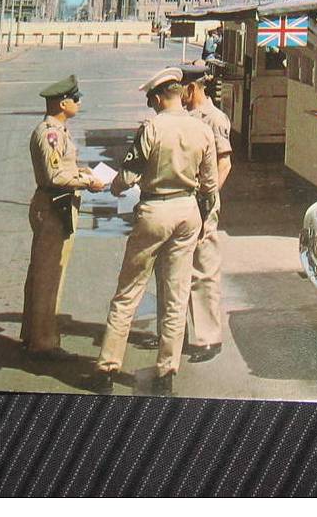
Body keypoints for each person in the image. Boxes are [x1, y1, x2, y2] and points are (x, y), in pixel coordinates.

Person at [87, 68, 218, 395]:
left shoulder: (152, 128)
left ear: (160, 97)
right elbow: (210, 185)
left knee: (129, 289)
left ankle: (107, 367)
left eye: (151, 99)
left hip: (154, 210)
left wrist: (111, 186)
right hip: (187, 211)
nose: (150, 104)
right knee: (176, 294)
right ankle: (165, 372)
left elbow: (129, 174)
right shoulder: (201, 129)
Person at [22, 75, 105, 359]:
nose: (78, 102)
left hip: (58, 204)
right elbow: (54, 175)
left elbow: (64, 166)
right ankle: (43, 343)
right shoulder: (50, 133)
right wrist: (87, 182)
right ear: (62, 102)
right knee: (49, 274)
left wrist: (83, 172)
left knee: (42, 272)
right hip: (53, 205)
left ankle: (33, 333)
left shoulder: (60, 129)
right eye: (75, 98)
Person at [179, 64, 232, 363]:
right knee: (185, 269)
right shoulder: (188, 118)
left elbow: (225, 164)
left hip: (204, 202)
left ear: (193, 88)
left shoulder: (214, 118)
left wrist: (207, 198)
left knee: (204, 271)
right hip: (189, 202)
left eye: (182, 90)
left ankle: (209, 338)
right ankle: (189, 332)